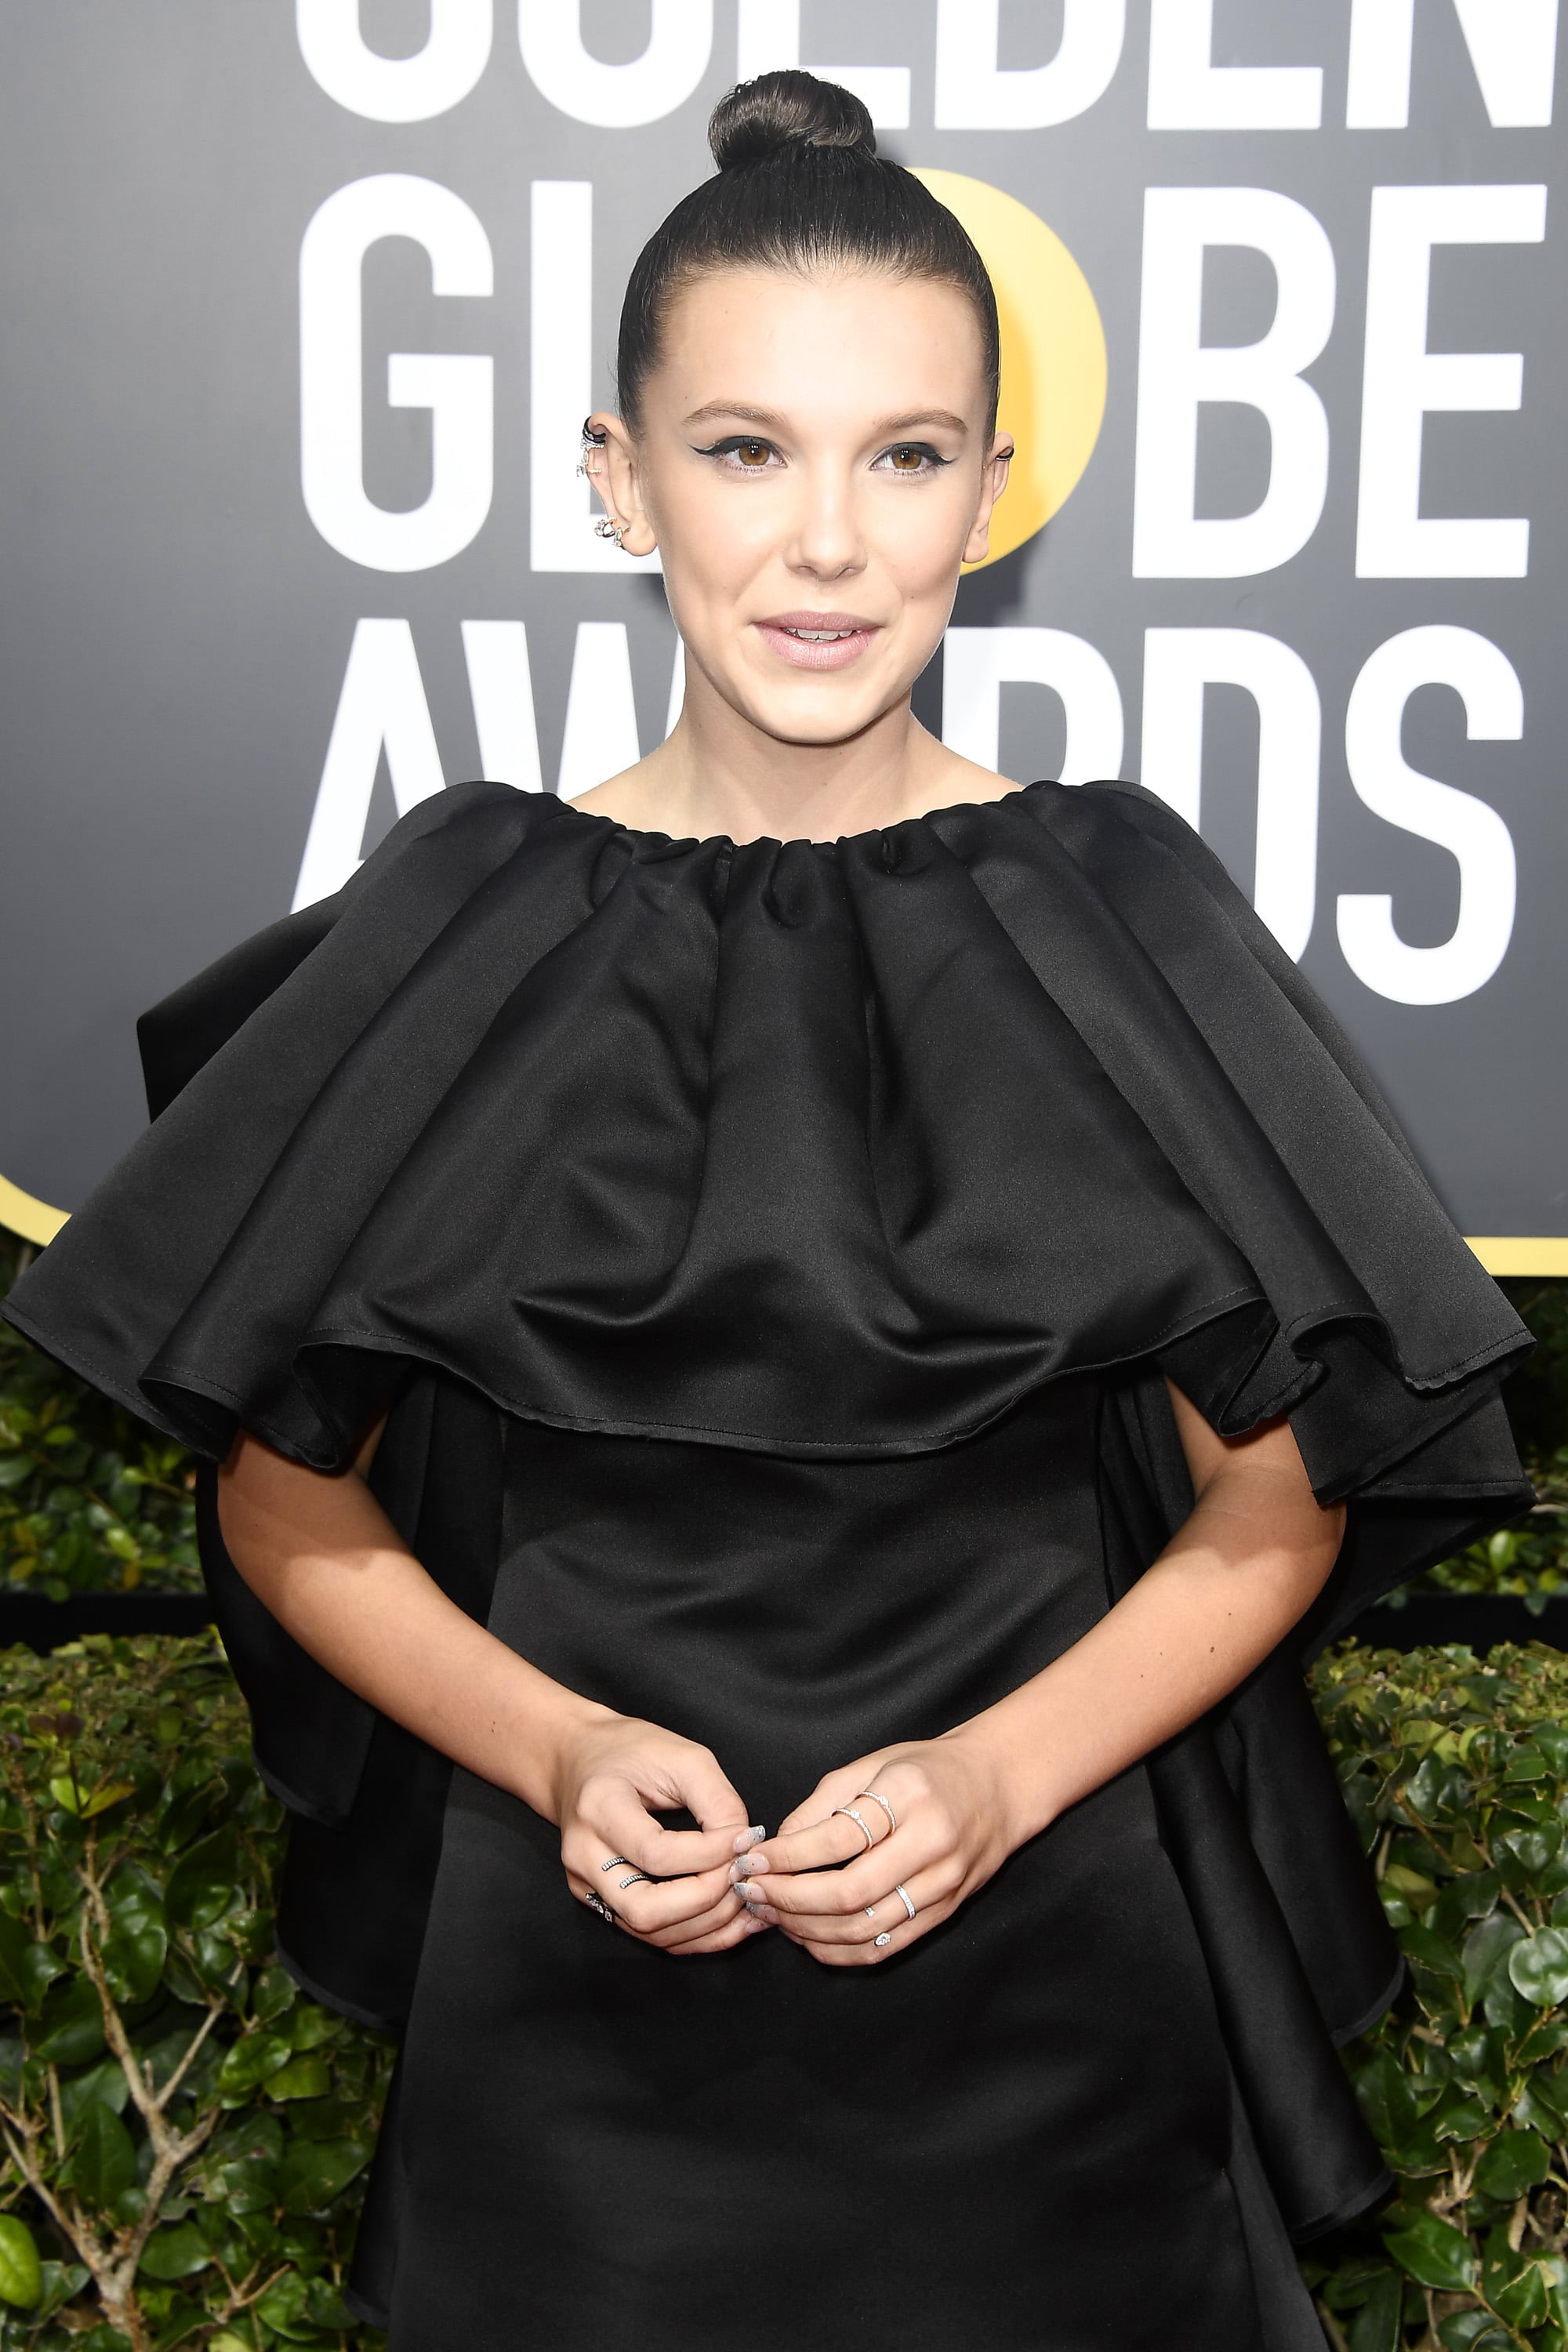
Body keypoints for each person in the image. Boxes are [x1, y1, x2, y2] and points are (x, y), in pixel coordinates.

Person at [5, 72, 1534, 2352]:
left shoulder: (1112, 913)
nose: (828, 543)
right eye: (746, 450)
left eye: (903, 457)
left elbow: (1275, 1499)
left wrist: (998, 1778)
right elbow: (283, 1494)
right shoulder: (466, 919)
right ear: (619, 479)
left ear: (990, 495)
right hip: (573, 2021)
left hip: (1052, 2002)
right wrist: (554, 1749)